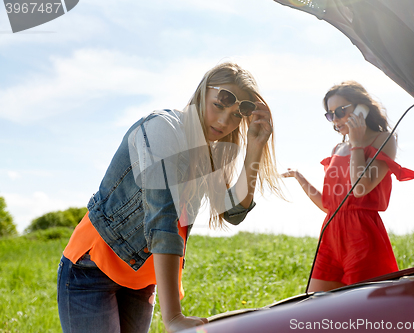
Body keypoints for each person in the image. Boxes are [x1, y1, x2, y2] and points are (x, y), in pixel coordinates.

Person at [57, 62, 282, 333]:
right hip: (91, 269)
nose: (224, 122)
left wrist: (255, 147)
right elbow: (161, 220)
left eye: (237, 114)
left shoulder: (209, 153)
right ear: (203, 93)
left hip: (141, 278)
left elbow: (234, 212)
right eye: (219, 105)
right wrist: (173, 317)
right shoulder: (160, 129)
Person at [282, 81, 414, 292]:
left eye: (340, 111)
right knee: (314, 307)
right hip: (331, 236)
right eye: (330, 115)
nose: (335, 119)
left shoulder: (384, 139)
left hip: (362, 236)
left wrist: (357, 143)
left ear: (361, 108)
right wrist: (301, 179)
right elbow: (330, 206)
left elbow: (360, 188)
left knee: (363, 309)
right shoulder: (337, 147)